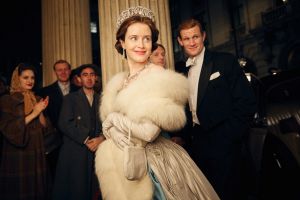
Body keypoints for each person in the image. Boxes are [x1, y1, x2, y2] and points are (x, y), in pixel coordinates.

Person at [95, 6, 219, 200]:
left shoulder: (158, 76)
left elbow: (148, 133)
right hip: (123, 166)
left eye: (147, 38)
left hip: (155, 165)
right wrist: (110, 129)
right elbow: (107, 129)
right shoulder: (119, 81)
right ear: (122, 42)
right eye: (134, 38)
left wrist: (112, 120)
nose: (142, 44)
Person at [176, 18, 257, 200]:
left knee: (230, 193)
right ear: (180, 41)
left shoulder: (224, 61)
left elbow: (246, 102)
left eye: (195, 36)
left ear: (203, 36)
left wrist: (229, 137)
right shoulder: (181, 72)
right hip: (197, 145)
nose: (192, 42)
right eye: (187, 38)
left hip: (226, 144)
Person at [52, 64, 105, 200]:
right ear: (79, 79)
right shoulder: (70, 98)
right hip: (75, 150)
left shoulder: (103, 99)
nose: (89, 78)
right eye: (85, 75)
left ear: (96, 78)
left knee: (95, 190)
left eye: (92, 75)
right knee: (77, 189)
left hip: (97, 150)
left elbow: (108, 124)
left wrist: (101, 138)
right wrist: (85, 139)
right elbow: (64, 123)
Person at [0, 63, 51, 199]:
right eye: (25, 77)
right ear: (17, 79)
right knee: (19, 191)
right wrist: (34, 113)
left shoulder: (38, 98)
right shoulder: (7, 100)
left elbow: (46, 129)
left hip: (37, 151)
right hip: (18, 154)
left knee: (38, 190)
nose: (30, 81)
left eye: (32, 78)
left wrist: (40, 111)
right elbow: (9, 129)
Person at [36, 59, 79, 181]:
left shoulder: (79, 90)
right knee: (57, 176)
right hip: (55, 142)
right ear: (55, 72)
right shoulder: (45, 92)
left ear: (70, 71)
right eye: (59, 70)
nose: (63, 72)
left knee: (76, 175)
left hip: (76, 140)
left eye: (66, 69)